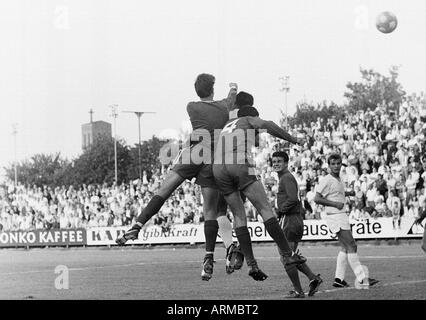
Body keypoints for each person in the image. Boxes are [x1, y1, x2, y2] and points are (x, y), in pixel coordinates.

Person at [116, 73, 240, 280]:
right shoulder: (223, 106)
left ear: (198, 91)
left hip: (193, 153)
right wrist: (233, 88)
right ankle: (208, 257)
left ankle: (137, 226)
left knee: (164, 191)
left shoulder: (191, 106)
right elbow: (231, 99)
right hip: (212, 158)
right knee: (210, 211)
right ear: (212, 89)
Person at [212, 101, 307, 284]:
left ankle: (252, 264)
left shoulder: (227, 126)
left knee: (239, 215)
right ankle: (289, 254)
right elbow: (269, 125)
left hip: (218, 169)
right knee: (265, 210)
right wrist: (293, 140)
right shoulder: (248, 118)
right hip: (238, 162)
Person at [314, 153, 379, 289]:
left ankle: (339, 279)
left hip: (340, 214)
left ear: (341, 164)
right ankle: (362, 278)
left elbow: (337, 193)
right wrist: (334, 204)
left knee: (345, 247)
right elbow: (317, 198)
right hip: (335, 215)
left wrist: (350, 193)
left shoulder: (339, 179)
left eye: (338, 163)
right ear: (329, 165)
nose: (336, 166)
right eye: (333, 164)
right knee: (352, 246)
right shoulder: (327, 179)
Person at [272, 151, 323, 298]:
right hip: (293, 219)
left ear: (286, 163)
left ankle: (298, 291)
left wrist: (280, 210)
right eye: (274, 161)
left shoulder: (286, 178)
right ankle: (313, 278)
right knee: (290, 256)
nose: (276, 163)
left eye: (279, 161)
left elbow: (293, 199)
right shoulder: (285, 177)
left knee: (286, 257)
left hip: (290, 220)